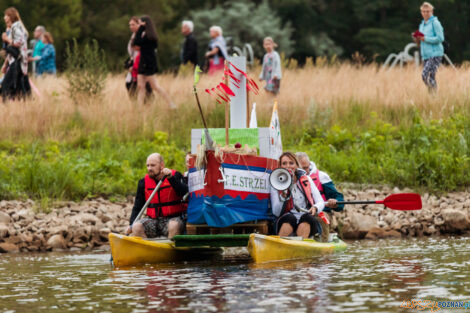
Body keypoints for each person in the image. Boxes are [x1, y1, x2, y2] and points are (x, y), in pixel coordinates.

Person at [126, 153, 188, 239]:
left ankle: (170, 250)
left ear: (162, 165)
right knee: (136, 227)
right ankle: (148, 250)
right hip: (153, 220)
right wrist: (131, 224)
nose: (149, 168)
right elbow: (137, 206)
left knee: (173, 225)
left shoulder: (175, 176)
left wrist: (171, 178)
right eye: (147, 166)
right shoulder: (143, 182)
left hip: (173, 219)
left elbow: (183, 191)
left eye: (152, 165)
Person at [270, 152, 325, 239]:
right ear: (280, 167)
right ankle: (280, 246)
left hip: (305, 217)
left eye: (291, 163)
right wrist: (283, 196)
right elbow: (276, 212)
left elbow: (320, 201)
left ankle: (300, 245)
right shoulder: (275, 183)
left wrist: (315, 208)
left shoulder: (307, 179)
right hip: (286, 218)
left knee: (307, 218)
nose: (288, 166)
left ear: (296, 165)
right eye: (284, 163)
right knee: (289, 218)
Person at [296, 152, 344, 241]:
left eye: (306, 168)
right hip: (301, 213)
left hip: (321, 212)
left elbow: (339, 199)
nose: (304, 171)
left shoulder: (321, 176)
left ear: (309, 165)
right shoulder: (289, 178)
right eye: (301, 168)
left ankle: (323, 243)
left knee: (320, 217)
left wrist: (335, 202)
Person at [133, 15, 175, 107]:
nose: (139, 25)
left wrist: (140, 29)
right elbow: (135, 43)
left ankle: (170, 103)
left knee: (155, 86)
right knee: (141, 87)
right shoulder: (144, 34)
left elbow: (137, 42)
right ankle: (139, 109)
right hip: (142, 62)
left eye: (140, 22)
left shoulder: (150, 36)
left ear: (145, 23)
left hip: (149, 63)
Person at [1, 7, 30, 101]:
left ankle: (7, 108)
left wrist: (6, 39)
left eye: (6, 15)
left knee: (6, 85)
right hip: (18, 61)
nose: (4, 17)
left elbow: (19, 42)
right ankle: (25, 106)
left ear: (10, 16)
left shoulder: (15, 27)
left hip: (17, 62)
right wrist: (5, 63)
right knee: (18, 88)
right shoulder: (17, 27)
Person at [416, 2, 444, 92]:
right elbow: (422, 39)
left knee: (424, 75)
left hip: (435, 54)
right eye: (423, 11)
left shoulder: (435, 23)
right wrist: (418, 39)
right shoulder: (422, 25)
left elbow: (441, 38)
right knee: (431, 77)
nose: (425, 13)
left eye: (427, 11)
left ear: (431, 11)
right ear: (421, 12)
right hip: (425, 55)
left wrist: (425, 38)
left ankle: (433, 94)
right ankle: (433, 97)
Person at [125, 16, 152, 99]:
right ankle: (137, 105)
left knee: (144, 85)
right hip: (135, 62)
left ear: (138, 25)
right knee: (129, 84)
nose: (131, 27)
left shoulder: (144, 35)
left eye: (133, 24)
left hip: (142, 63)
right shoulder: (133, 35)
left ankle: (147, 104)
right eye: (130, 25)